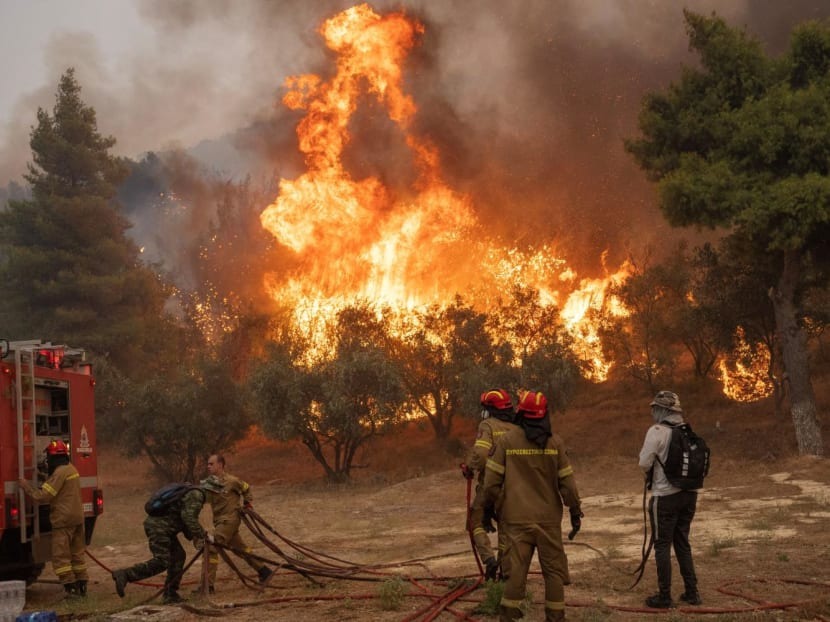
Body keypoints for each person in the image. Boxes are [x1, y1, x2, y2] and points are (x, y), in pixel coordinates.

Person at [482, 390, 583, 622]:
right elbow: (567, 484)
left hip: (516, 520)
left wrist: (492, 509)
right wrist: (575, 511)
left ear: (521, 414)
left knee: (516, 573)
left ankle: (508, 617)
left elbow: (490, 483)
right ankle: (556, 617)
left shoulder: (506, 442)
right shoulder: (555, 443)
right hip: (548, 520)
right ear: (544, 414)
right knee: (554, 572)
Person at [638, 390, 701, 608]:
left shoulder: (656, 431)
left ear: (664, 410)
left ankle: (665, 596)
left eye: (655, 408)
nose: (653, 412)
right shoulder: (687, 431)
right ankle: (692, 592)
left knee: (662, 545)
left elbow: (643, 463)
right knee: (682, 543)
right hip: (689, 496)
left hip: (664, 497)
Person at [111, 481, 214, 604]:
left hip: (165, 529)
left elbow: (183, 518)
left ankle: (170, 594)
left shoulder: (192, 493)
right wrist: (204, 535)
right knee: (162, 561)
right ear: (212, 491)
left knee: (178, 556)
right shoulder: (197, 495)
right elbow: (189, 519)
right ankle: (125, 574)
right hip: (159, 528)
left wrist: (196, 538)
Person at [18, 440, 88, 598]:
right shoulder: (71, 469)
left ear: (54, 457)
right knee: (77, 555)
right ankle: (82, 587)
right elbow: (58, 482)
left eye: (49, 457)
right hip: (77, 518)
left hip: (63, 521)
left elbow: (43, 496)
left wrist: (26, 486)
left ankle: (70, 591)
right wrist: (43, 475)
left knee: (61, 558)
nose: (48, 461)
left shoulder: (59, 473)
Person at [462, 388, 518, 580]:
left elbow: (481, 454)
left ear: (490, 409)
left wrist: (469, 467)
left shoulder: (487, 425)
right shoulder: (517, 428)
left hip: (490, 485)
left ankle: (489, 560)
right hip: (513, 488)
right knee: (506, 528)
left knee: (474, 521)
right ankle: (506, 572)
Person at [197, 454, 273, 592]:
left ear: (220, 465)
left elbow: (246, 488)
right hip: (220, 521)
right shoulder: (208, 484)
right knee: (241, 549)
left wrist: (248, 503)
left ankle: (207, 586)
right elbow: (202, 499)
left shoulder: (232, 481)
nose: (208, 466)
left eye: (211, 464)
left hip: (230, 520)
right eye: (208, 464)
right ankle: (264, 570)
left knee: (211, 547)